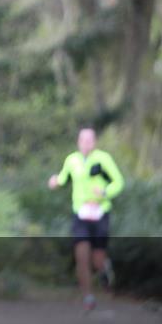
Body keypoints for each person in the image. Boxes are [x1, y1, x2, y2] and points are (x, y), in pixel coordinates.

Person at [47, 127, 124, 311]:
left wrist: (105, 192)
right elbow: (64, 178)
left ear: (95, 142)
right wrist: (55, 181)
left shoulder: (103, 159)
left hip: (99, 212)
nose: (86, 143)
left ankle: (104, 269)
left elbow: (119, 182)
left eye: (90, 140)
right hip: (80, 214)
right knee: (81, 256)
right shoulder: (71, 160)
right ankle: (88, 297)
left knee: (97, 260)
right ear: (78, 142)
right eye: (83, 140)